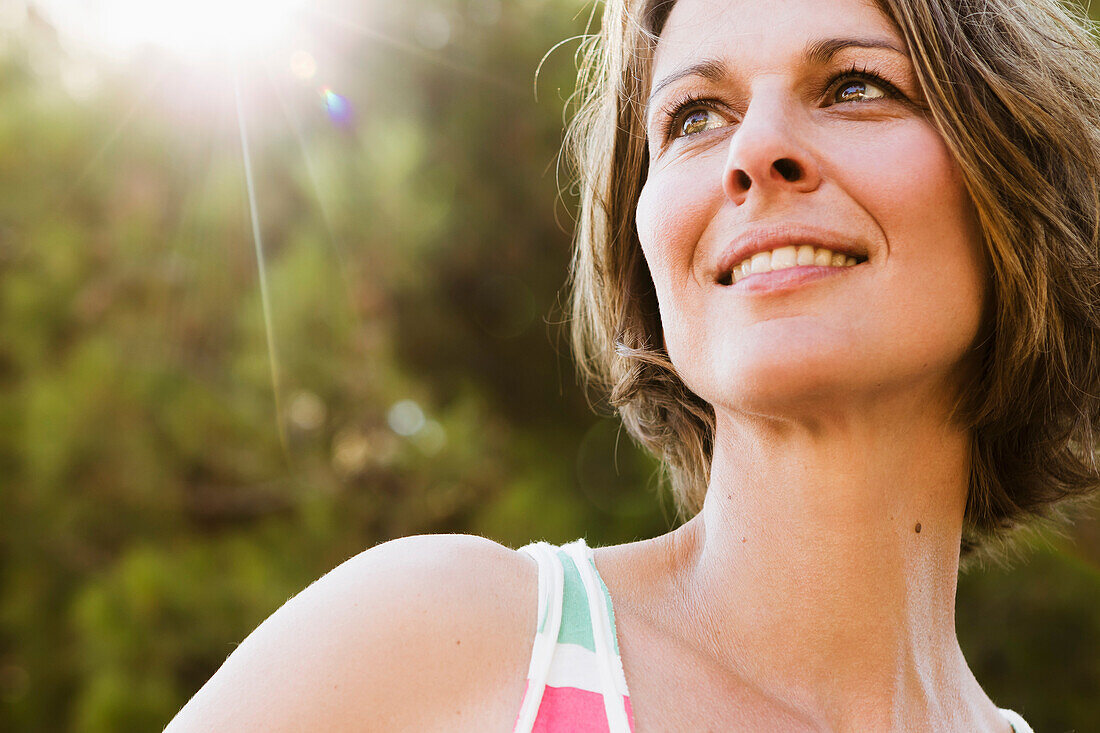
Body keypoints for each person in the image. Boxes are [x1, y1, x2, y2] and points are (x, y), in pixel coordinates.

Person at [167, 0, 1100, 729]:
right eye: (694, 116)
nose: (755, 150)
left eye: (855, 86)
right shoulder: (446, 644)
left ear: (1015, 180)